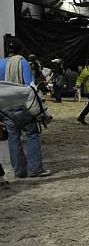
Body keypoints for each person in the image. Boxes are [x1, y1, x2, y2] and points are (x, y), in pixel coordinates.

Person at [0, 38, 51, 178]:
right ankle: (35, 169)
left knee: (13, 138)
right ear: (20, 50)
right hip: (22, 107)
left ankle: (19, 171)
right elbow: (29, 87)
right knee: (32, 135)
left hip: (6, 109)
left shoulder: (0, 63)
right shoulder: (22, 62)